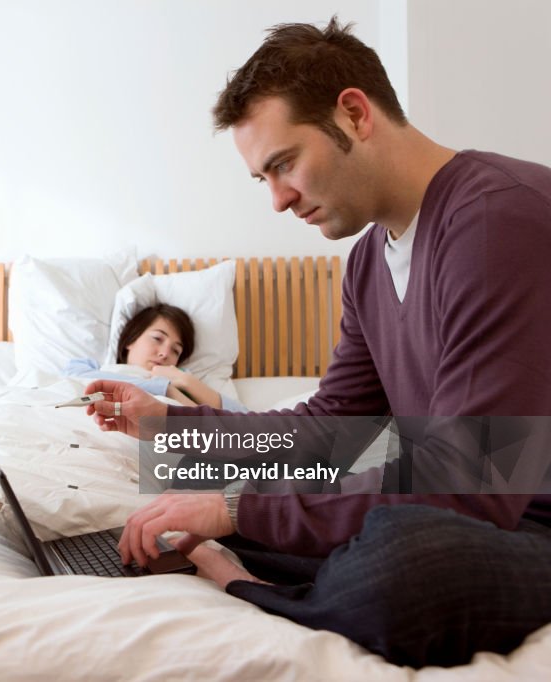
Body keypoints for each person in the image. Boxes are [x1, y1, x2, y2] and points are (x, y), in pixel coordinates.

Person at [85, 17, 551, 668]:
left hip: (519, 512)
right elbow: (335, 425)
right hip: (470, 504)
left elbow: (472, 481)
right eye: (263, 180)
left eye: (284, 165)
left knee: (404, 567)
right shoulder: (366, 264)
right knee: (182, 493)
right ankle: (256, 565)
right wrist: (172, 427)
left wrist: (236, 511)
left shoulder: (496, 220)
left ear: (354, 114)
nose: (277, 201)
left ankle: (239, 577)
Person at [63, 303, 244, 411]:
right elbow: (73, 377)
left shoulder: (183, 382)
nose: (165, 353)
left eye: (176, 351)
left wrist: (185, 380)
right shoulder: (92, 368)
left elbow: (245, 422)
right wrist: (165, 388)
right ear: (131, 339)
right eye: (157, 338)